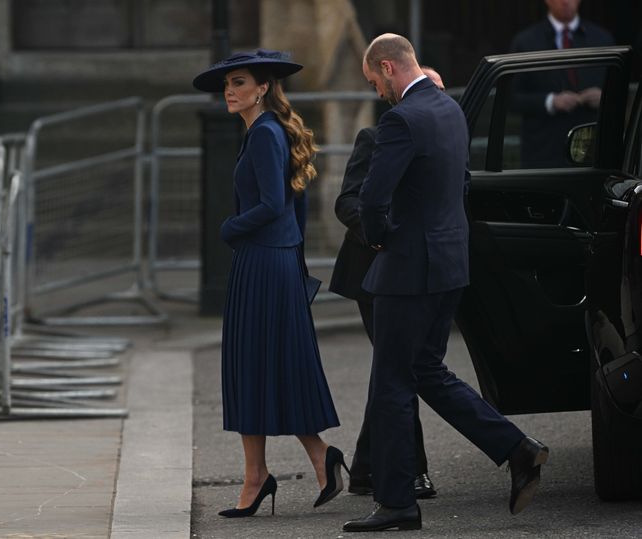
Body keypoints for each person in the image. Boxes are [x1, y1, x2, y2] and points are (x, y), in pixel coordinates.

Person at [342, 34, 549, 533]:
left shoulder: (402, 120)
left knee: (391, 383)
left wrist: (378, 239)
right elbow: (460, 184)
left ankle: (397, 503)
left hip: (407, 269)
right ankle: (516, 448)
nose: (378, 94)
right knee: (428, 372)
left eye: (375, 82)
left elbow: (371, 200)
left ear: (388, 68)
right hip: (450, 265)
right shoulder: (450, 111)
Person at [192, 49, 345, 518]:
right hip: (270, 262)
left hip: (263, 263)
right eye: (227, 84)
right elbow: (294, 209)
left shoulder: (264, 134)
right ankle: (287, 467)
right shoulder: (266, 131)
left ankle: (291, 465)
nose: (230, 91)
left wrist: (230, 228)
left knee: (258, 365)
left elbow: (274, 204)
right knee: (260, 366)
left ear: (262, 88)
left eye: (239, 83)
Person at [329, 66, 445, 501]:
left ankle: (363, 468)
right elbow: (347, 201)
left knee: (393, 372)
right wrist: (380, 237)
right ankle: (412, 469)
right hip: (373, 273)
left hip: (421, 272)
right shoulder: (377, 137)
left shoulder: (445, 139)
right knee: (402, 370)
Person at [509, 0, 614, 168]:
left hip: (592, 152)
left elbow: (622, 95)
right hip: (543, 155)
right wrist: (550, 101)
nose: (565, 2)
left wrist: (605, 97)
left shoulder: (602, 39)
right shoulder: (526, 42)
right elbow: (510, 99)